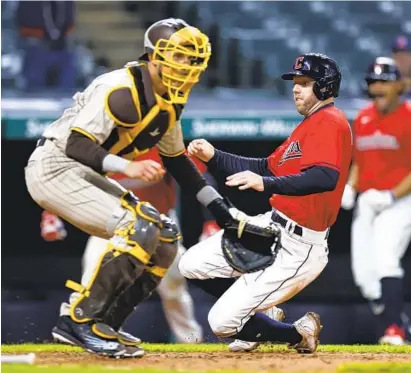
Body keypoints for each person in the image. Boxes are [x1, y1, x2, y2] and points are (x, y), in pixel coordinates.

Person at [24, 18, 241, 358]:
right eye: (179, 56)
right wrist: (128, 166)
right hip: (54, 166)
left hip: (83, 171)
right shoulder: (120, 88)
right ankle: (78, 321)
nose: (187, 66)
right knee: (137, 228)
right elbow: (76, 146)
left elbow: (178, 162)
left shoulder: (169, 100)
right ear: (154, 56)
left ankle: (105, 323)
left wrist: (222, 212)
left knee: (164, 235)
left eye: (191, 58)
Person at [179, 53, 352, 354]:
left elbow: (325, 177)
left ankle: (298, 333)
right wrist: (214, 156)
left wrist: (267, 184)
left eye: (305, 83)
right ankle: (265, 315)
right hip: (273, 225)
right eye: (295, 82)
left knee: (220, 323)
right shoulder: (306, 126)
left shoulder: (331, 121)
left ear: (325, 87)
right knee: (191, 264)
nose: (296, 88)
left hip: (300, 246)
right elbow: (265, 167)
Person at [341, 57, 411, 345]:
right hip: (368, 200)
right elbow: (359, 161)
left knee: (385, 258)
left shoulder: (409, 116)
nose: (378, 87)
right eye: (373, 82)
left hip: (401, 199)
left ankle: (394, 329)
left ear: (399, 85)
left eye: (384, 81)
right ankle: (400, 323)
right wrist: (350, 186)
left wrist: (392, 194)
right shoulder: (363, 117)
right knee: (365, 277)